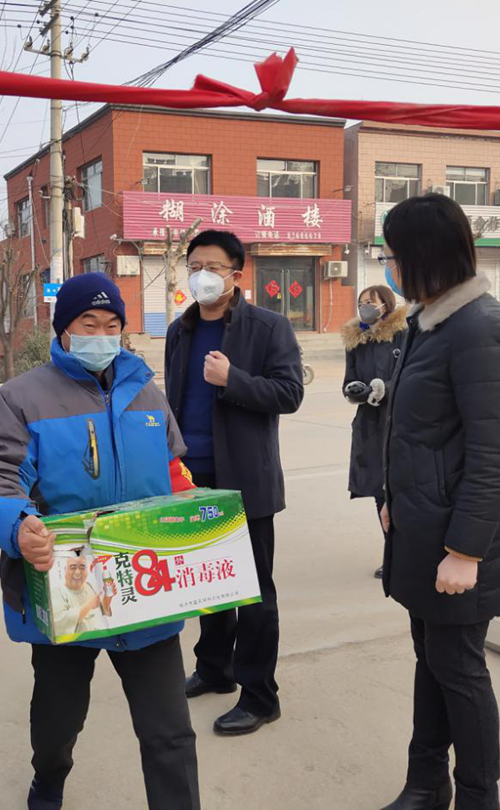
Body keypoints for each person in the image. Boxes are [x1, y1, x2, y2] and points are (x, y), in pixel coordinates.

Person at [0, 273, 201, 810]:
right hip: (64, 587)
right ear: (64, 330)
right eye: (88, 324)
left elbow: (174, 471)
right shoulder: (20, 398)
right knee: (58, 721)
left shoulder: (147, 391)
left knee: (169, 733)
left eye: (111, 325)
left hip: (144, 585)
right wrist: (19, 525)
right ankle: (49, 778)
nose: (101, 335)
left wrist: (196, 513)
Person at [377, 194, 500, 810]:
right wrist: (391, 498)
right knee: (432, 660)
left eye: (392, 255)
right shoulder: (428, 321)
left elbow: (496, 456)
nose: (388, 267)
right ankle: (425, 783)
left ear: (423, 256)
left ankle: (477, 796)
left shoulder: (479, 329)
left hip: (460, 543)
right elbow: (416, 432)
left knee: (459, 671)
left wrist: (465, 550)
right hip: (422, 529)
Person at [164, 230, 304, 736]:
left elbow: (290, 393)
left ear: (236, 275)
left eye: (213, 267)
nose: (201, 275)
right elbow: (174, 403)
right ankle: (214, 669)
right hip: (192, 477)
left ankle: (260, 696)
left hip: (245, 479)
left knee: (253, 593)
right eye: (194, 266)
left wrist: (234, 380)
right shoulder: (179, 330)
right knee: (208, 581)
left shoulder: (269, 327)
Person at [341, 284, 408, 579]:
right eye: (361, 302)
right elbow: (349, 380)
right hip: (370, 426)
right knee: (380, 491)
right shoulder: (356, 339)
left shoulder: (403, 333)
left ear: (387, 304)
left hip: (399, 422)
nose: (365, 307)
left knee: (401, 491)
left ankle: (408, 555)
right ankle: (392, 554)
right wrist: (354, 390)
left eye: (371, 301)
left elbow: (410, 377)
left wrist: (383, 389)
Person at [51, 554, 112, 637]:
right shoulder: (58, 591)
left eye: (82, 568)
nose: (77, 572)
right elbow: (59, 622)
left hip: (99, 636)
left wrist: (107, 599)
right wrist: (88, 606)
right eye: (73, 568)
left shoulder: (89, 586)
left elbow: (103, 615)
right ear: (65, 569)